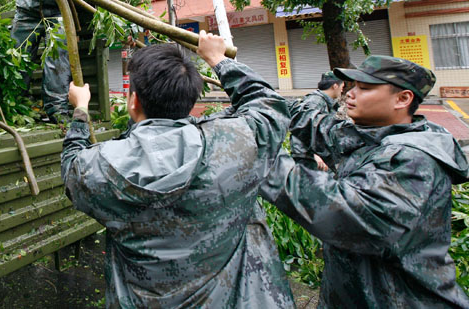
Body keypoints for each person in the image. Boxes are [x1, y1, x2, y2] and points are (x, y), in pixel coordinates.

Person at [61, 37, 294, 308]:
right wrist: (219, 60)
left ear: (134, 101)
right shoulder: (236, 144)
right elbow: (270, 106)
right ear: (191, 98)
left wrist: (80, 111)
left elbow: (71, 167)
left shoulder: (100, 166)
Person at [261, 55, 469, 307]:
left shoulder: (411, 159)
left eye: (365, 88)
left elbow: (343, 213)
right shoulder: (369, 136)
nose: (351, 94)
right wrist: (227, 66)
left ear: (403, 99)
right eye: (352, 86)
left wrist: (256, 153)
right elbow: (313, 124)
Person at [289, 71, 344, 171]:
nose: (342, 90)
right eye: (342, 86)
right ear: (335, 86)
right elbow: (300, 130)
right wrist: (313, 155)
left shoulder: (326, 102)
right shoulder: (315, 102)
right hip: (310, 163)